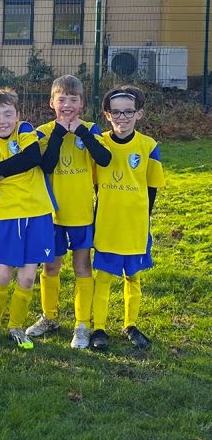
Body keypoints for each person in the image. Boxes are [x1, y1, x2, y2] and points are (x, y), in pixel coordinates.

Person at [26, 74, 111, 349]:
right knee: (51, 266)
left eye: (73, 100)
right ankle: (49, 317)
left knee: (82, 267)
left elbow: (104, 159)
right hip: (51, 215)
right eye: (61, 99)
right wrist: (61, 132)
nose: (67, 104)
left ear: (82, 103)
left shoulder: (91, 130)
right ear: (52, 102)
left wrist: (81, 133)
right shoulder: (43, 131)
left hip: (81, 214)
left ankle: (82, 324)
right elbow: (47, 165)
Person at [89, 86, 165, 351]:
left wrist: (144, 220)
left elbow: (152, 188)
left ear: (139, 114)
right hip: (109, 224)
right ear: (107, 115)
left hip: (135, 225)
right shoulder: (100, 146)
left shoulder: (148, 147)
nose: (122, 118)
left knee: (133, 277)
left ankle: (130, 324)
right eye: (116, 112)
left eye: (128, 112)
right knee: (104, 277)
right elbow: (95, 183)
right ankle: (99, 328)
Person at [0, 87, 55, 350]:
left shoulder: (24, 129)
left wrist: (5, 170)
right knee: (2, 275)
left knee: (27, 278)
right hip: (9, 216)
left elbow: (33, 157)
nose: (3, 121)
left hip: (38, 215)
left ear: (17, 115)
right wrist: (16, 165)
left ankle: (16, 326)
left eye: (8, 114)